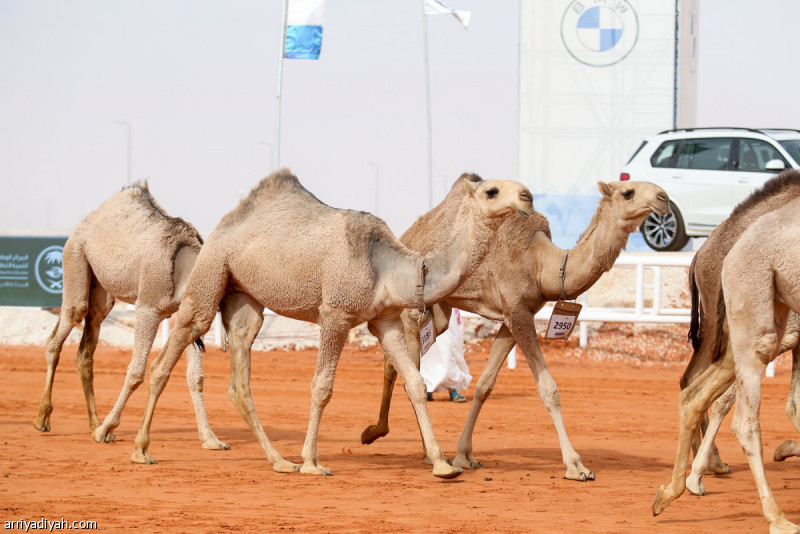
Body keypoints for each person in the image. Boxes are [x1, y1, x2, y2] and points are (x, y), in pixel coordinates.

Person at [420, 308, 471, 402]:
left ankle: (453, 389)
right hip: (426, 305)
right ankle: (427, 388)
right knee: (427, 348)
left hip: (447, 305)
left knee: (450, 346)